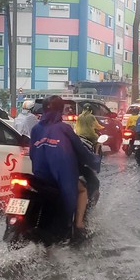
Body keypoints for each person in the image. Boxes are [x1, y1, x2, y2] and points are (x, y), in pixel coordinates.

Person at [30, 96, 100, 240]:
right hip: (60, 177)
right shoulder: (64, 128)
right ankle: (78, 226)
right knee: (82, 190)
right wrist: (95, 160)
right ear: (60, 110)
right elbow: (81, 151)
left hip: (41, 176)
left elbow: (32, 153)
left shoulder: (36, 129)